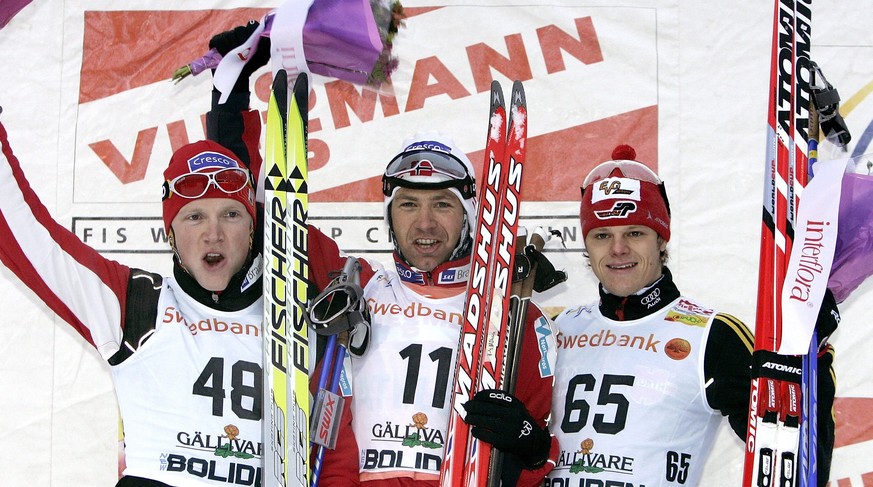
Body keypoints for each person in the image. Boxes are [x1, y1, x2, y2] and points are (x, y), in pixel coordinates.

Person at [201, 23, 561, 485]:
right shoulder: (355, 285)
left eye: (443, 205)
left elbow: (540, 451)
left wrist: (531, 447)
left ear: (472, 217)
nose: (425, 223)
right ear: (389, 217)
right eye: (408, 205)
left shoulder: (511, 317)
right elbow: (263, 212)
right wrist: (230, 99)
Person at [544, 145, 839, 486]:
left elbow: (798, 461)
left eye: (634, 233)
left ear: (661, 240)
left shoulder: (712, 335)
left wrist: (810, 355)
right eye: (602, 236)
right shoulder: (558, 330)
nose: (618, 249)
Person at [0, 111, 268, 485]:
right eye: (193, 217)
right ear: (170, 233)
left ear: (253, 228)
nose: (214, 233)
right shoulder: (137, 302)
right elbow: (26, 236)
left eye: (230, 214)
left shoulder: (288, 315)